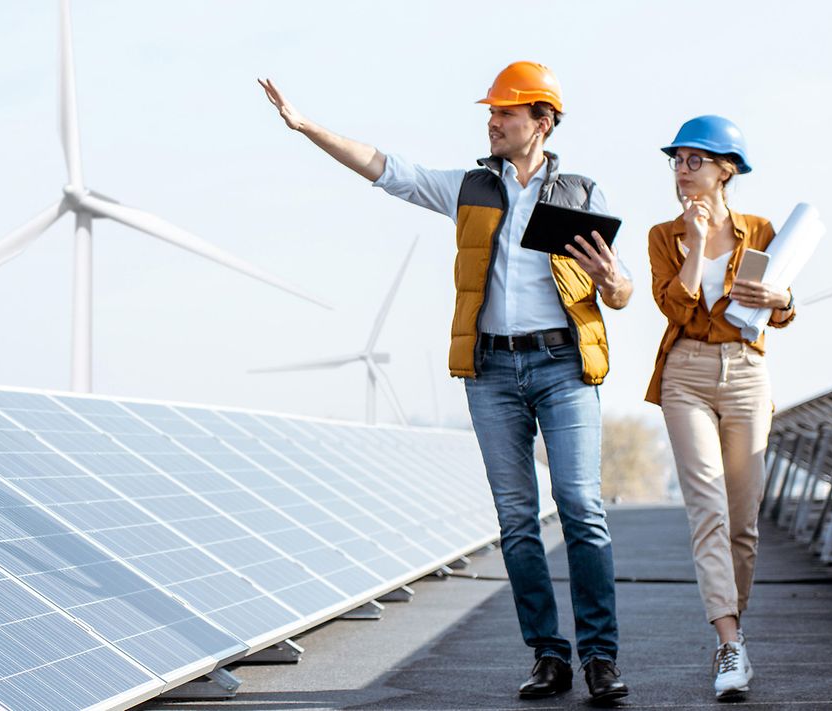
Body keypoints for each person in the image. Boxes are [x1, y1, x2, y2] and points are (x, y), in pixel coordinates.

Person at [260, 62, 632, 703]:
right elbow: (387, 169)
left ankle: (600, 658)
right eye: (491, 113)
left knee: (581, 509)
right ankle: (549, 655)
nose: (492, 122)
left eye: (505, 113)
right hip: (490, 372)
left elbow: (622, 291)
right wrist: (303, 126)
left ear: (540, 122)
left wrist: (612, 282)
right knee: (517, 518)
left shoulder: (581, 192)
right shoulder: (469, 189)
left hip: (564, 369)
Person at [643, 115, 796, 701]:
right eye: (677, 161)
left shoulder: (760, 228)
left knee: (743, 522)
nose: (682, 171)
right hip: (685, 372)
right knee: (705, 505)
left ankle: (735, 630)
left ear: (726, 169)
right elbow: (675, 311)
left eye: (694, 160)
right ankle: (728, 643)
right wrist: (699, 244)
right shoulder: (664, 235)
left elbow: (781, 313)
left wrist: (782, 298)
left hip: (748, 374)